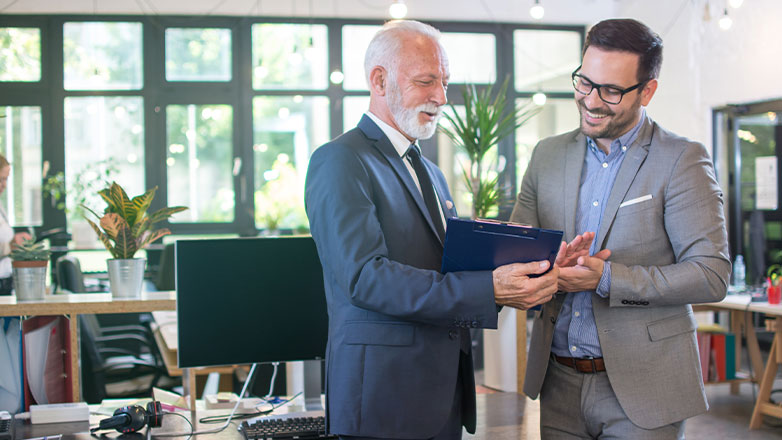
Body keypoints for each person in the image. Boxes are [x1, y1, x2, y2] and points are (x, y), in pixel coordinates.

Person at [304, 20, 594, 440]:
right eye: (426, 81)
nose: (441, 97)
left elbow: (448, 268)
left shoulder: (432, 173)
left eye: (444, 82)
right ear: (379, 81)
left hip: (441, 398)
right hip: (382, 402)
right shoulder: (340, 161)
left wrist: (537, 269)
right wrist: (490, 289)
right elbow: (365, 278)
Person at [510, 18, 731, 439]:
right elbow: (517, 248)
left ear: (647, 91)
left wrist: (607, 277)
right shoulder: (546, 155)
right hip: (558, 382)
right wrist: (544, 262)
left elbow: (711, 274)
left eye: (610, 91)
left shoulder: (682, 160)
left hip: (647, 386)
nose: (591, 101)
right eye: (584, 83)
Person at [0, 154, 32, 295]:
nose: (4, 185)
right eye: (1, 179)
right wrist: (10, 246)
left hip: (5, 281)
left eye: (6, 179)